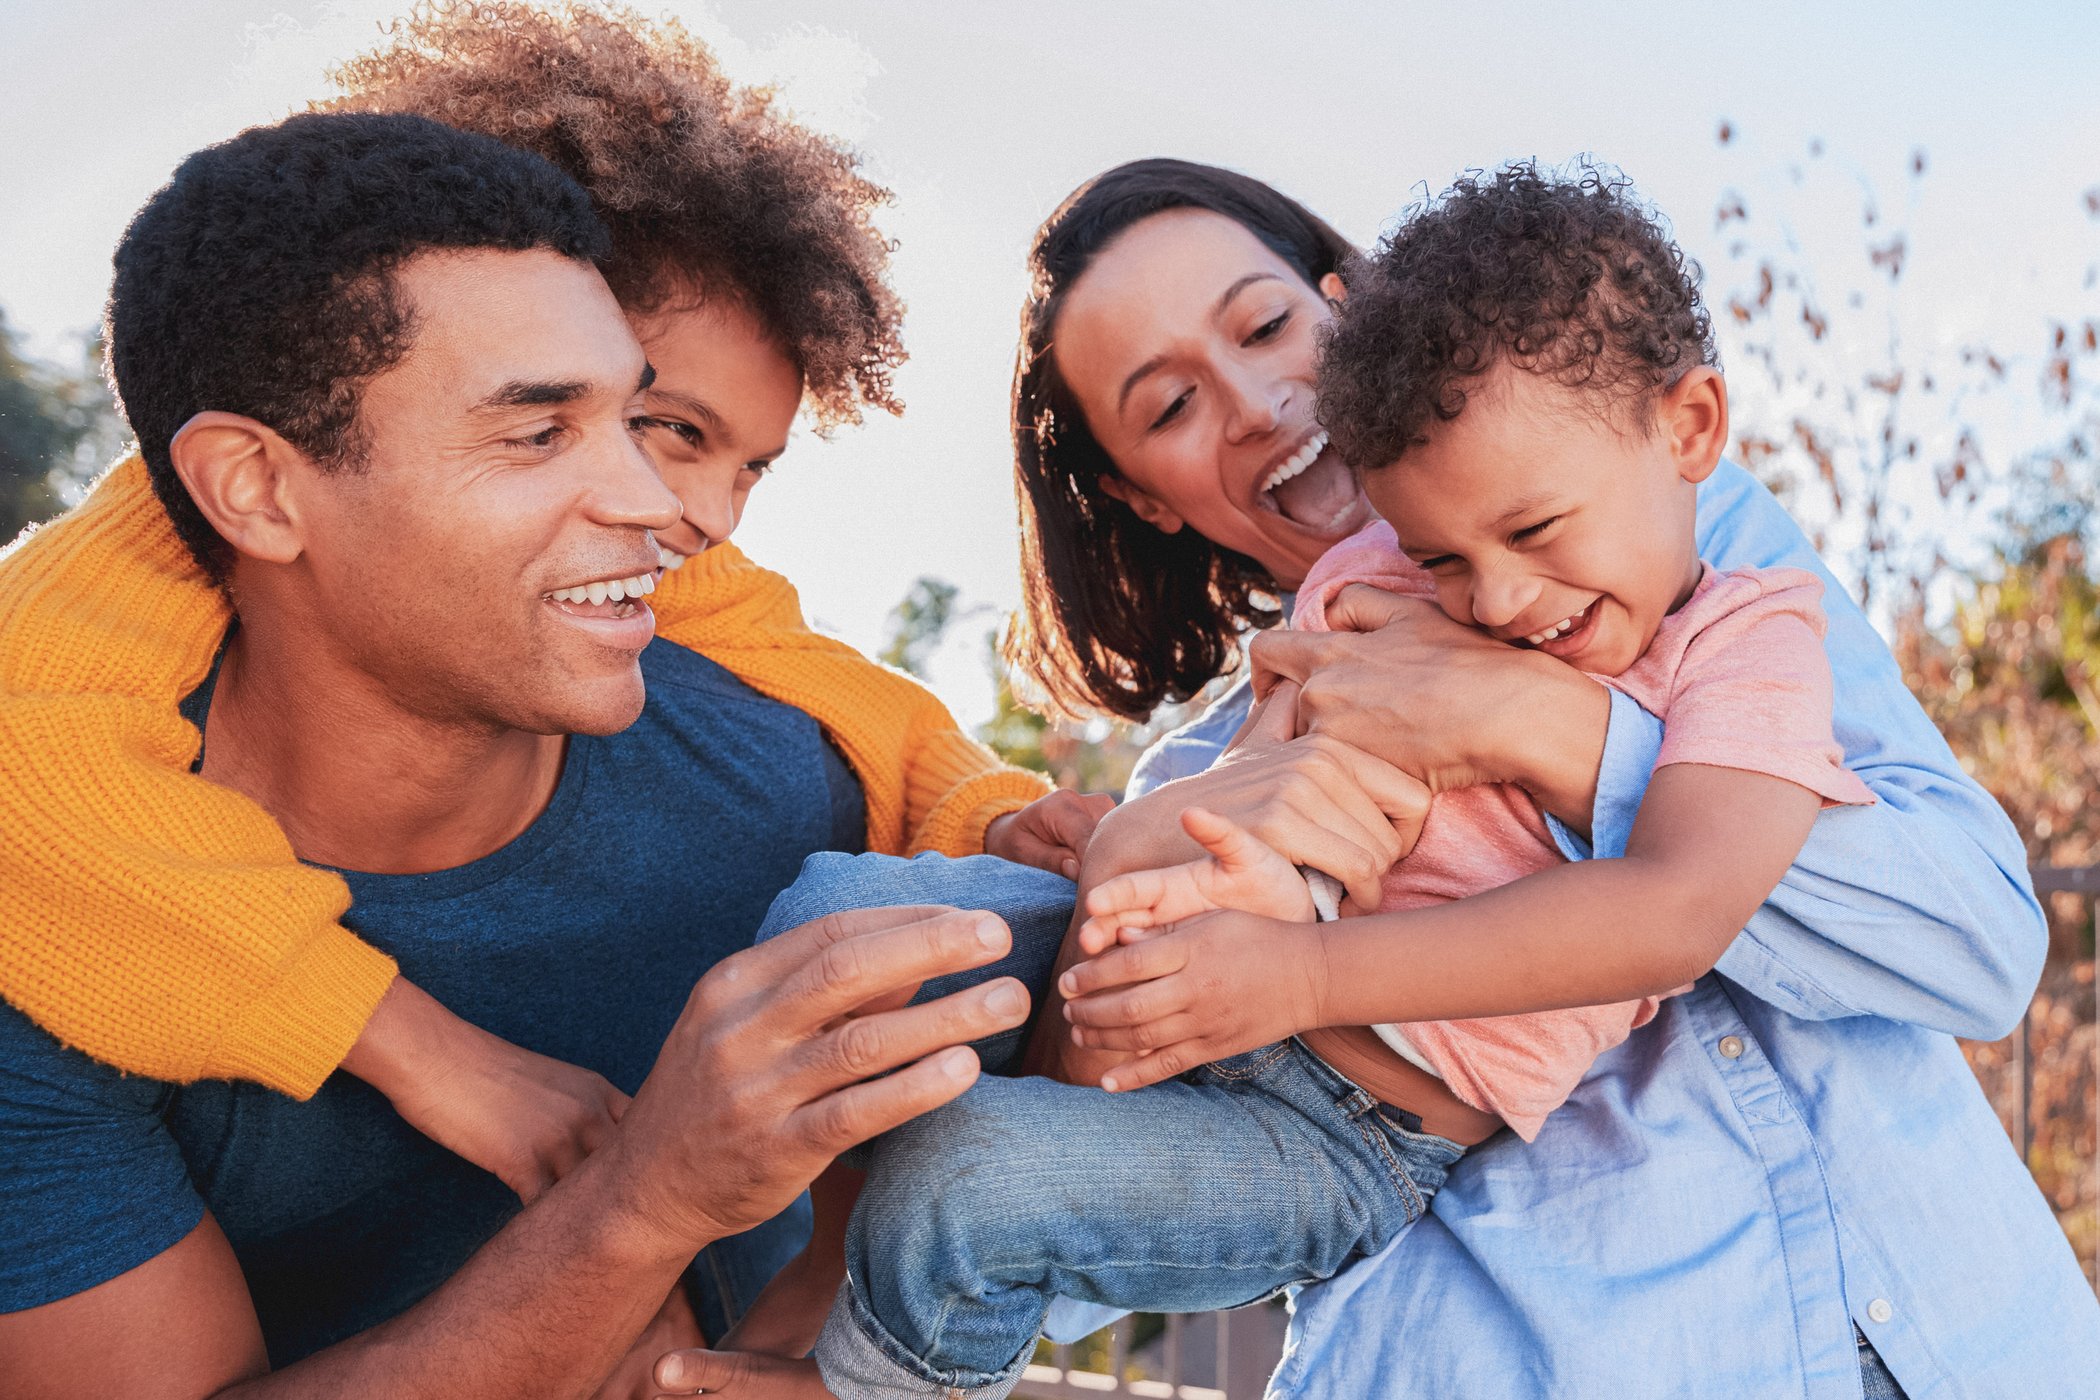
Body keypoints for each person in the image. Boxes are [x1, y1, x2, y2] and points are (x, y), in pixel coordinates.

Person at [656, 160, 2097, 1397]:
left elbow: (1971, 948)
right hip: (1448, 1286)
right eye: (1167, 405)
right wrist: (1161, 857)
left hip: (1907, 1327)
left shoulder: (1715, 567)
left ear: (1345, 306)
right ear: (1149, 496)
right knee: (843, 918)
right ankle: (760, 1331)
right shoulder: (1275, 685)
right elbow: (1075, 1197)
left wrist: (1537, 726)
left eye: (1268, 323)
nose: (1260, 400)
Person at [0, 1, 1103, 1253]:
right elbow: (23, 787)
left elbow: (835, 685)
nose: (691, 516)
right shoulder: (119, 572)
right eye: (667, 428)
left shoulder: (685, 622)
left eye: (750, 469)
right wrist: (425, 1051)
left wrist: (986, 811)